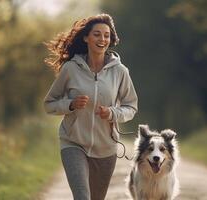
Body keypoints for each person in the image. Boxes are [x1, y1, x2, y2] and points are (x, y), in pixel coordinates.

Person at [43, 13, 138, 200]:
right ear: (86, 37)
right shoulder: (71, 68)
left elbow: (131, 107)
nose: (102, 39)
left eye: (106, 35)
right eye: (96, 34)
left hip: (106, 149)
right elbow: (49, 104)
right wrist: (71, 104)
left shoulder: (120, 72)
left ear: (111, 40)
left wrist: (112, 113)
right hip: (74, 143)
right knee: (82, 197)